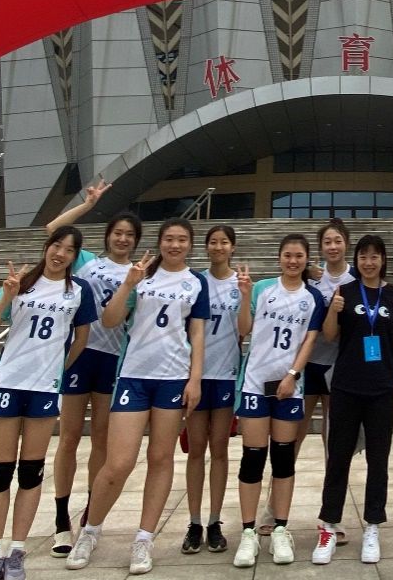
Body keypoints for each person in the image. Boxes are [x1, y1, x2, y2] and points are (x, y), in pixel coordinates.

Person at [65, 220, 208, 575]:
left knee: (160, 458)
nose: (175, 245)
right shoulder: (142, 274)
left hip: (173, 378)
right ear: (159, 242)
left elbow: (197, 333)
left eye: (182, 240)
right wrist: (128, 284)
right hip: (133, 375)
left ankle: (144, 539)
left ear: (190, 245)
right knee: (119, 463)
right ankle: (90, 530)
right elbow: (110, 320)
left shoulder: (196, 281)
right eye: (169, 239)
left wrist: (195, 379)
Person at [0, 226, 97, 580]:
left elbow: (82, 338)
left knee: (31, 471)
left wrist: (58, 369)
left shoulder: (78, 291)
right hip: (8, 383)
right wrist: (5, 297)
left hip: (44, 389)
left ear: (75, 256)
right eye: (56, 245)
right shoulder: (22, 281)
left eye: (69, 250)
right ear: (47, 247)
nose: (60, 254)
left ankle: (16, 551)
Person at [44, 180, 139, 557]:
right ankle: (60, 518)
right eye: (118, 232)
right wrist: (87, 204)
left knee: (101, 439)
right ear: (108, 235)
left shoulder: (139, 274)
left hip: (113, 360)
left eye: (129, 235)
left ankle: (89, 513)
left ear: (135, 241)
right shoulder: (87, 262)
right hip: (78, 354)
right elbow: (53, 231)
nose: (123, 239)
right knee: (68, 437)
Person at [312, 234, 393, 565]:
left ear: (383, 260)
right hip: (346, 387)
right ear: (357, 261)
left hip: (382, 389)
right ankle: (329, 525)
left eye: (375, 256)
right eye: (364, 257)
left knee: (378, 460)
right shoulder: (345, 292)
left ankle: (372, 526)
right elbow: (330, 335)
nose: (369, 262)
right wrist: (333, 310)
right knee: (338, 458)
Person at [231, 234, 326, 568]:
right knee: (253, 458)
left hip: (289, 387)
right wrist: (245, 296)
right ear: (279, 257)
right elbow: (244, 329)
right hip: (255, 384)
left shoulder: (313, 297)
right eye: (287, 255)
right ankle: (248, 532)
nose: (293, 261)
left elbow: (309, 341)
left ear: (306, 259)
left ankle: (281, 529)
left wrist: (292, 375)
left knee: (284, 459)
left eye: (299, 256)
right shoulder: (262, 289)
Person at [288, 219, 356, 543]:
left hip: (340, 367)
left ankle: (333, 515)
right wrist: (307, 271)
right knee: (292, 437)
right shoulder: (311, 276)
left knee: (335, 443)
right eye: (327, 241)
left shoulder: (356, 278)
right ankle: (274, 511)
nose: (333, 246)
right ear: (320, 247)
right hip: (308, 363)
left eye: (337, 241)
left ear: (347, 244)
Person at [181, 224, 243, 555]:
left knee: (219, 449)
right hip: (196, 374)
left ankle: (215, 521)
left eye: (224, 242)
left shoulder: (241, 284)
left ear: (233, 247)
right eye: (213, 242)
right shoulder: (195, 281)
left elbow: (246, 329)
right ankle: (194, 522)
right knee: (196, 450)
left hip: (226, 374)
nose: (219, 247)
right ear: (205, 247)